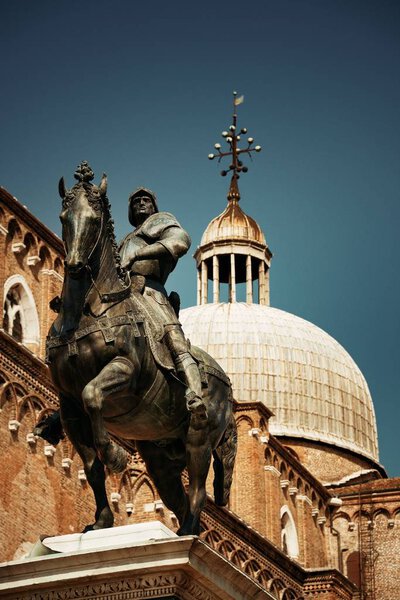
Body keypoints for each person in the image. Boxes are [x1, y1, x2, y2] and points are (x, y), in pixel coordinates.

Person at [119, 188, 206, 418]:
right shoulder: (125, 240)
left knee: (174, 340)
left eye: (145, 200)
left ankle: (195, 394)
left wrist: (137, 256)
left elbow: (181, 241)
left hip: (151, 292)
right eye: (136, 201)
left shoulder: (162, 221)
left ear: (154, 206)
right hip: (124, 293)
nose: (140, 204)